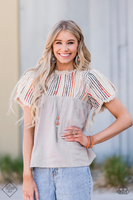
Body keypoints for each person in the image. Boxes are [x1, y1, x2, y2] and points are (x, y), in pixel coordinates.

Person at [7, 20, 133, 200]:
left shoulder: (89, 79)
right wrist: (27, 176)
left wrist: (91, 140)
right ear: (51, 45)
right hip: (39, 173)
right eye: (58, 42)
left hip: (74, 172)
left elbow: (126, 118)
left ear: (78, 45)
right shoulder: (33, 79)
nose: (64, 48)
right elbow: (29, 131)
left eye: (70, 42)